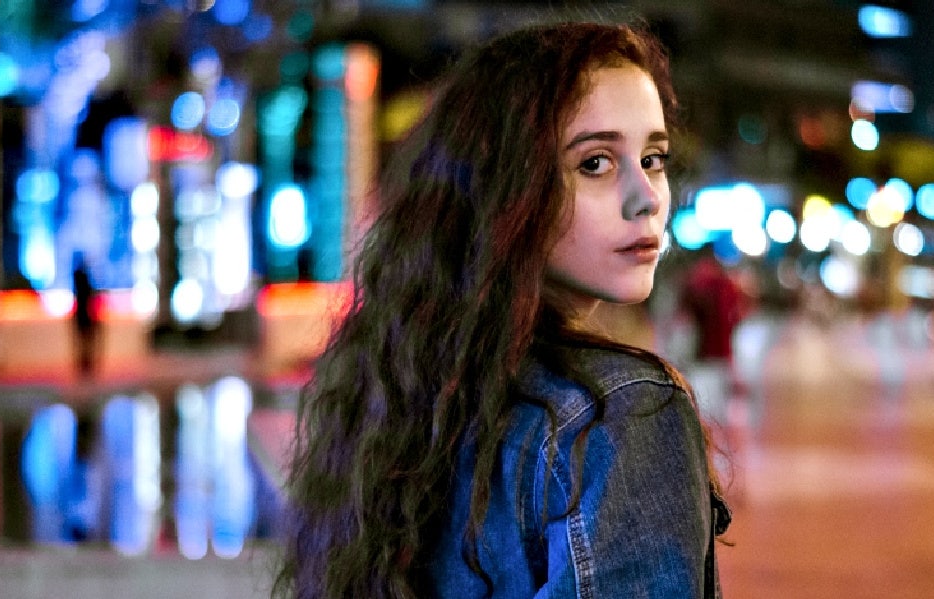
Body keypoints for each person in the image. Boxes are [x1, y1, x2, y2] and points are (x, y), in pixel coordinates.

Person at [275, 21, 730, 599]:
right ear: (505, 186)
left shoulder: (403, 398)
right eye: (595, 163)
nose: (646, 200)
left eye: (654, 158)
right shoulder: (621, 412)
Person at [679, 245, 750, 423]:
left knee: (705, 406)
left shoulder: (694, 283)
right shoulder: (724, 285)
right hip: (715, 353)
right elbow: (734, 318)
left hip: (702, 354)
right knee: (715, 407)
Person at [71, 256, 100, 378]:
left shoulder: (79, 278)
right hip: (84, 314)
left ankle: (86, 365)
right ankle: (85, 365)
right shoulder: (82, 278)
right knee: (84, 342)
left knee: (85, 342)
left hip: (84, 314)